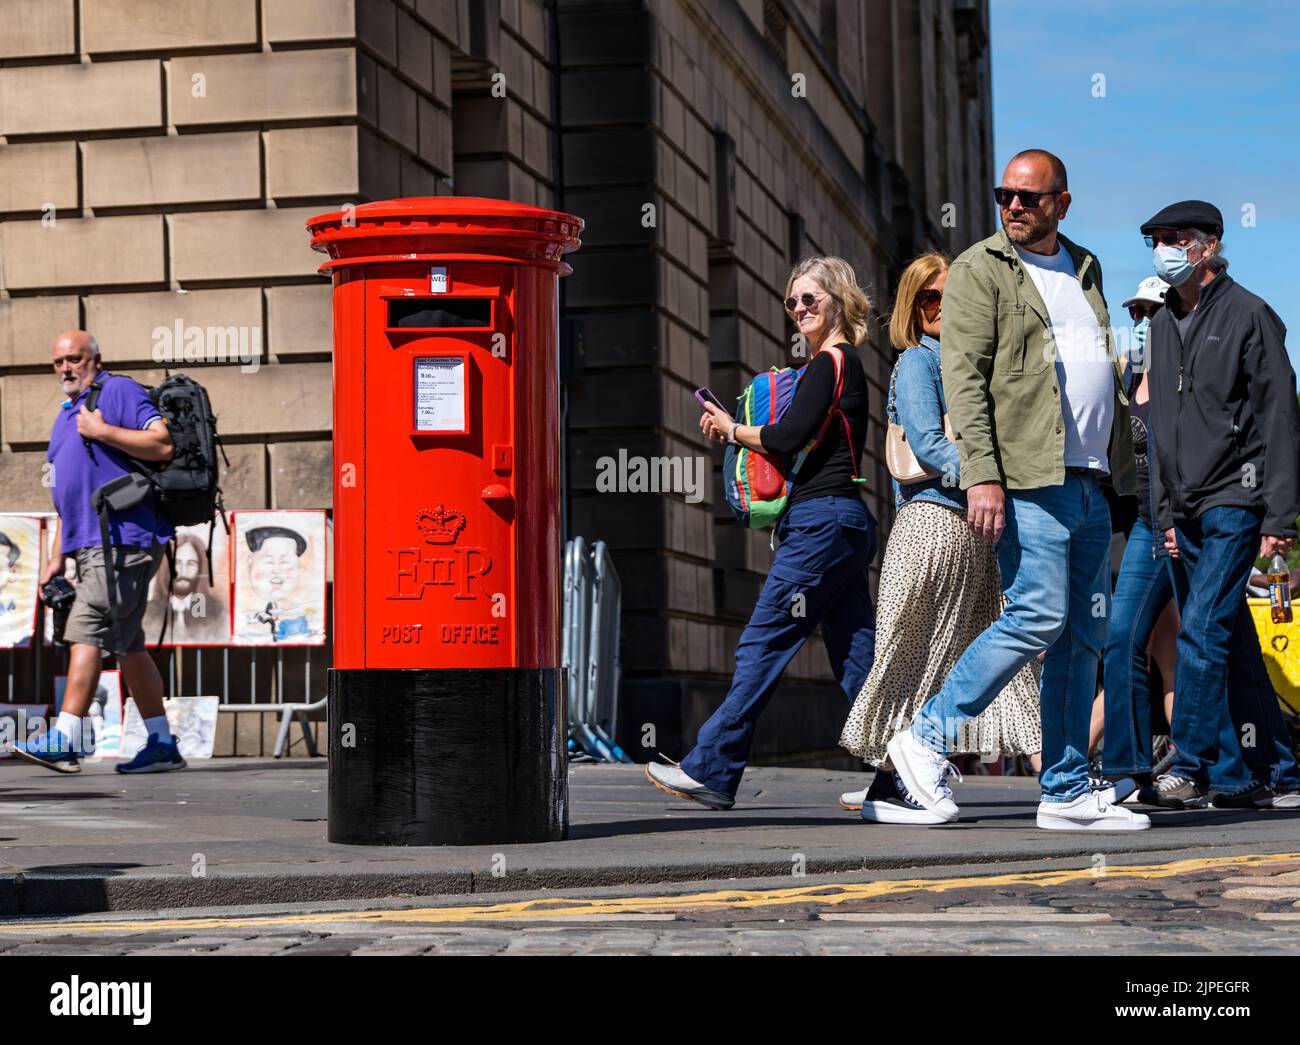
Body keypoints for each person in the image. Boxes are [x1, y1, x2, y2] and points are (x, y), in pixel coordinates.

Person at [884, 148, 1150, 831]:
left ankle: (1063, 787)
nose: (1014, 207)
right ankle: (927, 736)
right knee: (1037, 613)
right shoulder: (980, 268)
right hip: (1029, 475)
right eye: (1005, 195)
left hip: (1090, 477)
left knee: (1083, 632)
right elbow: (966, 378)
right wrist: (981, 473)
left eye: (1029, 197)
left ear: (1062, 201)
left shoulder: (1084, 266)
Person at [644, 256, 877, 809]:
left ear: (838, 300)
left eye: (809, 299)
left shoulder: (828, 363)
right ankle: (906, 773)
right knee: (855, 657)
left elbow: (789, 436)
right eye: (792, 302)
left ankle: (712, 767)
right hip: (842, 525)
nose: (798, 310)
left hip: (821, 526)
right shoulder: (845, 365)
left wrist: (731, 428)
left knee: (763, 642)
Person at [838, 252, 1042, 824]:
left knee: (980, 662)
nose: (945, 309)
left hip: (976, 535)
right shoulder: (917, 362)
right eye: (932, 299)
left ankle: (895, 782)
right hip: (932, 525)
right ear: (912, 307)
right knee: (914, 659)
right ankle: (1055, 778)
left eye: (956, 298)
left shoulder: (968, 369)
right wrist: (989, 477)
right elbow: (927, 443)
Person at [1141, 200, 1300, 809]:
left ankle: (1191, 766)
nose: (1162, 248)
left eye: (1173, 237)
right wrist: (1163, 515)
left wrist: (1281, 515)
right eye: (1155, 238)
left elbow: (1281, 419)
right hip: (1183, 505)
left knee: (1202, 627)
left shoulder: (1251, 315)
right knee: (1227, 635)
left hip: (1237, 495)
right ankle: (1277, 771)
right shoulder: (1159, 324)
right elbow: (1157, 428)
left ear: (1206, 246)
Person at [12, 331, 186, 774]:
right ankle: (162, 744)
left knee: (86, 626)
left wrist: (103, 430)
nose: (66, 368)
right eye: (58, 362)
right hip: (91, 543)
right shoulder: (65, 413)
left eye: (74, 358)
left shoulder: (117, 391)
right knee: (129, 646)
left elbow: (163, 444)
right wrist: (57, 552)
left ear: (95, 359)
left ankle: (65, 738)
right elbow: (70, 492)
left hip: (123, 538)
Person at [1095, 277, 1179, 796]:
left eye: (1153, 312)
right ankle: (1106, 763)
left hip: (1173, 525)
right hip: (1134, 528)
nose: (1143, 323)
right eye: (1137, 314)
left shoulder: (1179, 374)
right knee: (1146, 644)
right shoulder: (1127, 375)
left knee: (1163, 647)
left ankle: (1198, 764)